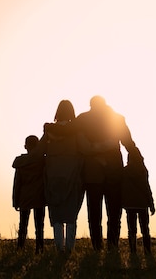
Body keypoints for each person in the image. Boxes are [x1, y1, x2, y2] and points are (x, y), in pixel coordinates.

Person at [76, 95, 140, 251]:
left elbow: (77, 144)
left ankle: (97, 246)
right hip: (114, 171)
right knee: (114, 212)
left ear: (91, 105)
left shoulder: (82, 119)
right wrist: (137, 161)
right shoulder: (117, 118)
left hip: (92, 172)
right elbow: (128, 143)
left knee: (94, 213)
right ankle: (112, 244)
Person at [39, 100, 85, 253]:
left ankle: (59, 247)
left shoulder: (49, 131)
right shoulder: (78, 131)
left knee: (57, 213)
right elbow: (84, 149)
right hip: (72, 175)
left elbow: (39, 151)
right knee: (71, 214)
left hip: (53, 175)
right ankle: (69, 248)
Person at [12, 135, 46, 253]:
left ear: (26, 146)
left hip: (24, 197)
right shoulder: (42, 161)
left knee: (23, 225)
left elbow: (17, 184)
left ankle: (20, 247)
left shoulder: (21, 163)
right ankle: (40, 248)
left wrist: (15, 201)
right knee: (39, 225)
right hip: (39, 195)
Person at [122, 147, 155, 254]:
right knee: (145, 229)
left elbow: (121, 188)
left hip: (129, 205)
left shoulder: (124, 171)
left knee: (132, 230)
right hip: (142, 204)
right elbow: (146, 188)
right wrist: (151, 204)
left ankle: (133, 251)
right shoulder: (142, 171)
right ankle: (147, 251)